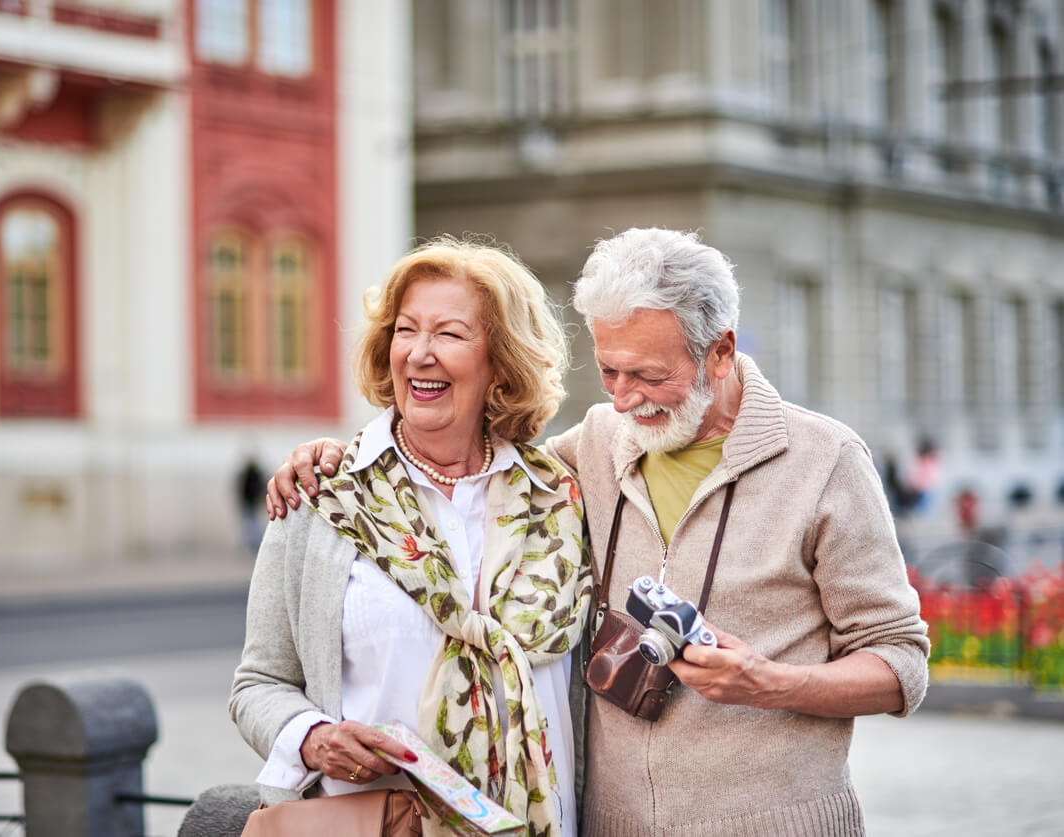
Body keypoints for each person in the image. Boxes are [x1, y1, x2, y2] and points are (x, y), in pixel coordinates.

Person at [268, 227, 931, 835]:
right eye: (608, 369)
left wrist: (768, 681)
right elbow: (445, 466)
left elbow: (900, 663)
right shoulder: (590, 449)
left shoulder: (825, 462)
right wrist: (337, 458)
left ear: (721, 352)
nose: (621, 397)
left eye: (647, 374)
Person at [229, 237, 592, 836]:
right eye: (405, 330)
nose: (420, 354)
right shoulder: (322, 499)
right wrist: (314, 739)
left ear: (500, 362)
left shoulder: (561, 495)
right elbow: (258, 683)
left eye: (449, 334)